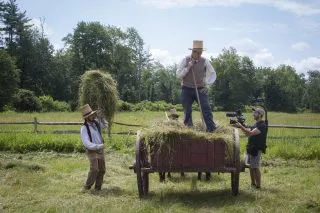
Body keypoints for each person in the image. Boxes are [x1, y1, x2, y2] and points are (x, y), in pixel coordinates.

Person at [177, 40, 217, 180]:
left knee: (206, 109)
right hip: (187, 89)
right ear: (192, 52)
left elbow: (212, 74)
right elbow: (179, 75)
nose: (199, 55)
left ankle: (211, 129)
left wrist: (207, 86)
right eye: (197, 53)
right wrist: (188, 67)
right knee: (187, 112)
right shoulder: (185, 60)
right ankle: (188, 130)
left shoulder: (205, 61)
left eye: (200, 53)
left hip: (200, 88)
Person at [234, 107, 267, 189]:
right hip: (251, 148)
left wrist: (241, 126)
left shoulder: (262, 125)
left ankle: (258, 186)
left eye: (255, 113)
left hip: (256, 149)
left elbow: (251, 133)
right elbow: (247, 132)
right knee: (251, 167)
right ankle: (253, 184)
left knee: (255, 167)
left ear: (260, 115)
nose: (253, 114)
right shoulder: (256, 124)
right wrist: (242, 126)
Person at [80, 104, 106, 192]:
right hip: (92, 150)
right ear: (86, 117)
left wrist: (101, 117)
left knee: (102, 170)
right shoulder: (84, 128)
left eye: (92, 114)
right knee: (95, 169)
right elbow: (86, 143)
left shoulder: (96, 123)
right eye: (90, 115)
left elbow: (106, 126)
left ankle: (98, 188)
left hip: (100, 150)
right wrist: (98, 146)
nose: (92, 116)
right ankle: (87, 186)